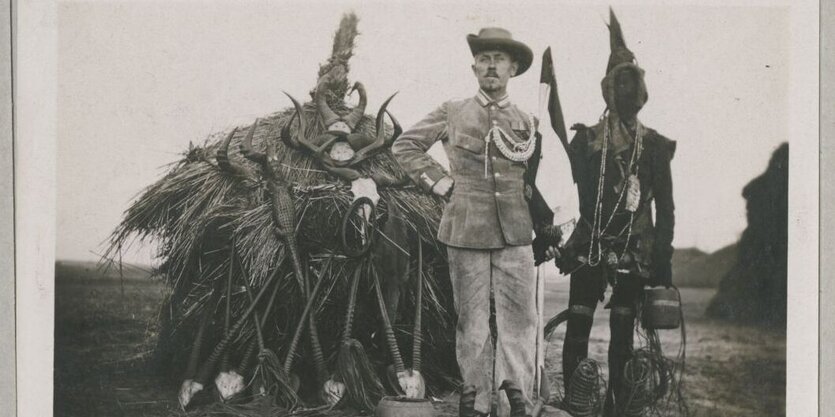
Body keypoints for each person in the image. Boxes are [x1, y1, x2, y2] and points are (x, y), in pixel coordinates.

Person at [392, 27, 557, 417]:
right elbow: (405, 145)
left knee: (520, 322)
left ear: (513, 69)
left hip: (516, 233)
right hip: (465, 229)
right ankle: (478, 402)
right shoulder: (452, 111)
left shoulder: (527, 121)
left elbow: (527, 182)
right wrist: (442, 183)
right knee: (473, 323)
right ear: (474, 67)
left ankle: (514, 401)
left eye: (499, 59)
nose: (491, 66)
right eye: (484, 59)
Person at [555, 10, 676, 417]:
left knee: (623, 335)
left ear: (642, 92)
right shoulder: (586, 141)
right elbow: (565, 187)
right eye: (618, 85)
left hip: (635, 250)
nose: (626, 93)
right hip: (589, 244)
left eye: (633, 84)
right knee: (578, 329)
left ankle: (618, 408)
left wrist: (662, 261)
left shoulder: (656, 146)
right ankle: (577, 405)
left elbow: (667, 208)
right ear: (607, 91)